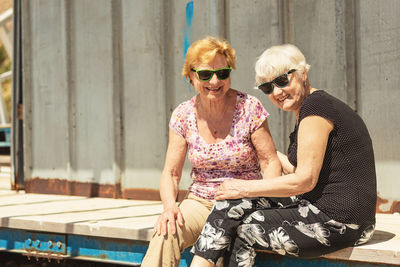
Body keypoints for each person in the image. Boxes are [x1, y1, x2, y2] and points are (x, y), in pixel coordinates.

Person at [190, 44, 377, 267]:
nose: (277, 92)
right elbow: (301, 169)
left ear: (303, 73)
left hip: (341, 221)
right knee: (232, 206)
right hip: (326, 211)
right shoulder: (311, 108)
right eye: (268, 87)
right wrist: (262, 151)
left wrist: (242, 187)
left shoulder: (316, 109)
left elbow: (304, 180)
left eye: (282, 81)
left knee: (246, 228)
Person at [141, 37, 281, 267]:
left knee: (219, 251)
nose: (215, 81)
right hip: (201, 201)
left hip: (243, 201)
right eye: (205, 74)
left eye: (223, 73)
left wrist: (268, 202)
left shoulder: (249, 107)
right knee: (166, 232)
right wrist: (169, 207)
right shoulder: (183, 115)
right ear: (191, 76)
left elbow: (270, 162)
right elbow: (171, 173)